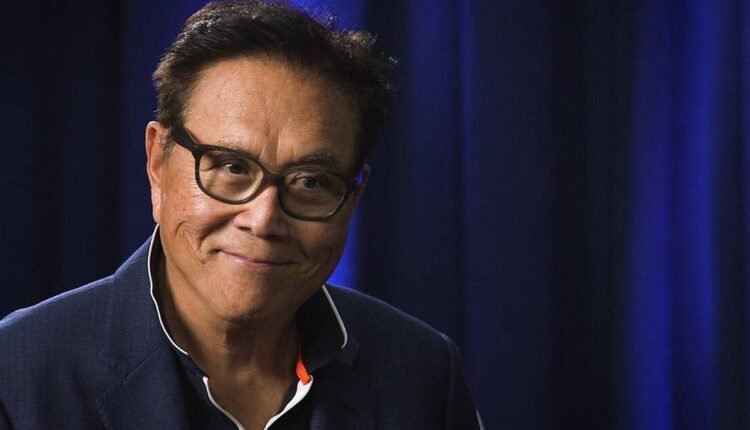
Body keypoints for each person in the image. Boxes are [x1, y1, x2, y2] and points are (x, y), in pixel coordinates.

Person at [0, 1, 480, 428]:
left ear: (354, 197)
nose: (263, 219)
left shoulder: (422, 372)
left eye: (311, 181)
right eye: (232, 167)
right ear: (157, 164)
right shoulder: (16, 376)